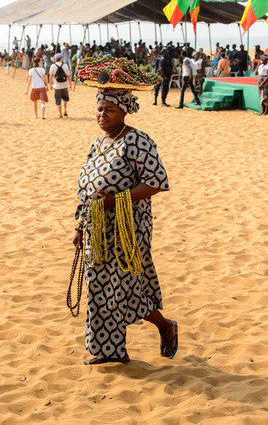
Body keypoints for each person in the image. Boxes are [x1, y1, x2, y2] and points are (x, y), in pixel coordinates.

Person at [73, 86, 178, 365]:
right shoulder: (97, 144)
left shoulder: (137, 140)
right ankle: (112, 350)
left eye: (109, 109)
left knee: (125, 289)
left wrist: (116, 201)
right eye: (99, 108)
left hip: (128, 227)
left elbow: (156, 181)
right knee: (98, 286)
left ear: (124, 111)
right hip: (97, 228)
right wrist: (80, 225)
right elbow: (88, 190)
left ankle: (164, 325)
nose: (102, 114)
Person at [49, 53, 72, 118]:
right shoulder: (65, 65)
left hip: (57, 86)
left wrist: (50, 84)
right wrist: (70, 84)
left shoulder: (53, 66)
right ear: (61, 58)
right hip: (64, 85)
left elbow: (50, 76)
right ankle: (65, 111)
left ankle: (60, 114)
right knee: (65, 99)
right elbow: (68, 76)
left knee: (58, 101)